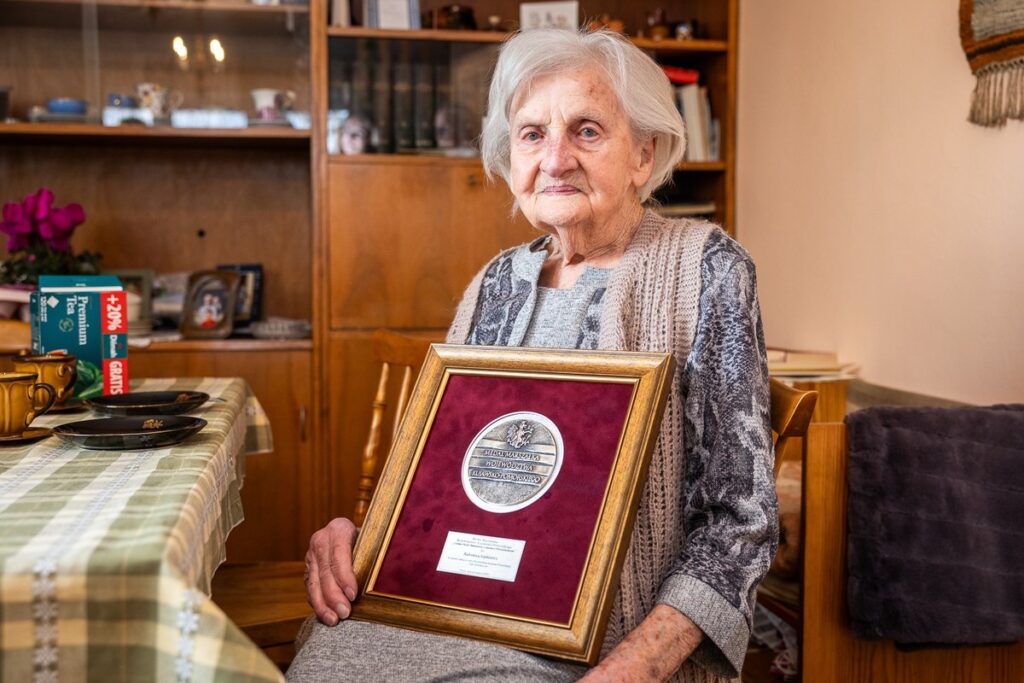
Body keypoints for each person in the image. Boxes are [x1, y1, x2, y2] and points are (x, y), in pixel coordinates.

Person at [289, 28, 776, 683]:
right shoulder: (496, 281)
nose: (556, 158)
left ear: (643, 154)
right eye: (531, 134)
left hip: (611, 639)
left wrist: (634, 666)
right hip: (446, 606)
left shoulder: (707, 270)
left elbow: (738, 521)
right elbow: (436, 487)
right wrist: (357, 533)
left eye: (587, 131)